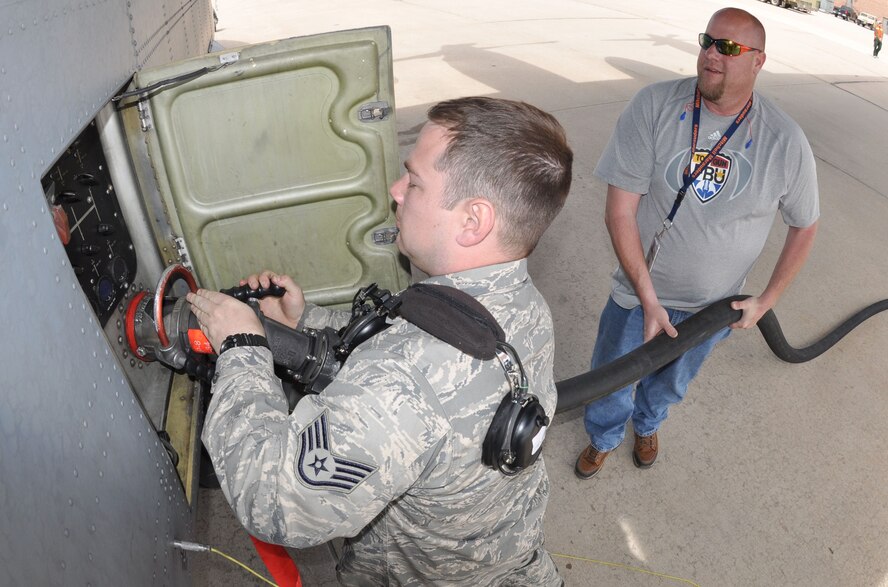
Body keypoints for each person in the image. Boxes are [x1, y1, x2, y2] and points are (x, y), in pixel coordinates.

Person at [187, 96, 572, 585]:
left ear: (473, 221)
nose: (395, 190)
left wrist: (242, 349)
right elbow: (411, 343)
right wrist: (307, 319)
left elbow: (275, 502)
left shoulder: (403, 377)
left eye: (414, 181)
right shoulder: (522, 303)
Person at [575, 7, 819, 480]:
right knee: (610, 379)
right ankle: (603, 436)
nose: (712, 53)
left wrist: (767, 300)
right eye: (707, 40)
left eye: (728, 47)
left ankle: (648, 424)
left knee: (671, 382)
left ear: (758, 62)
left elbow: (805, 224)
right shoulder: (654, 106)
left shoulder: (784, 140)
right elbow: (619, 211)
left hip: (712, 309)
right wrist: (647, 299)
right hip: (637, 295)